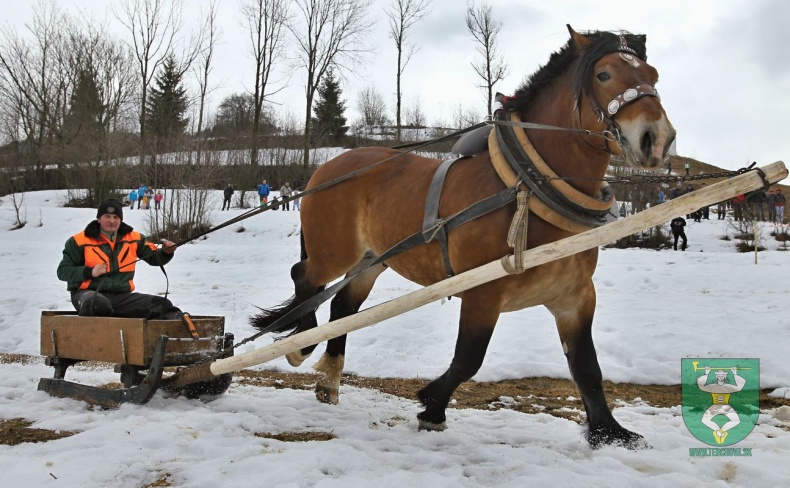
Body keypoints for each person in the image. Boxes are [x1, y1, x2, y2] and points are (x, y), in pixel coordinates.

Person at [57, 199, 183, 319]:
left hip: (121, 297)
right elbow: (63, 271)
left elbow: (155, 259)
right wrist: (90, 272)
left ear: (120, 220)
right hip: (87, 294)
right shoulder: (78, 241)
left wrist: (166, 252)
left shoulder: (135, 238)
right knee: (98, 304)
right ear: (99, 219)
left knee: (163, 304)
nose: (112, 221)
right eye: (107, 216)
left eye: (116, 217)